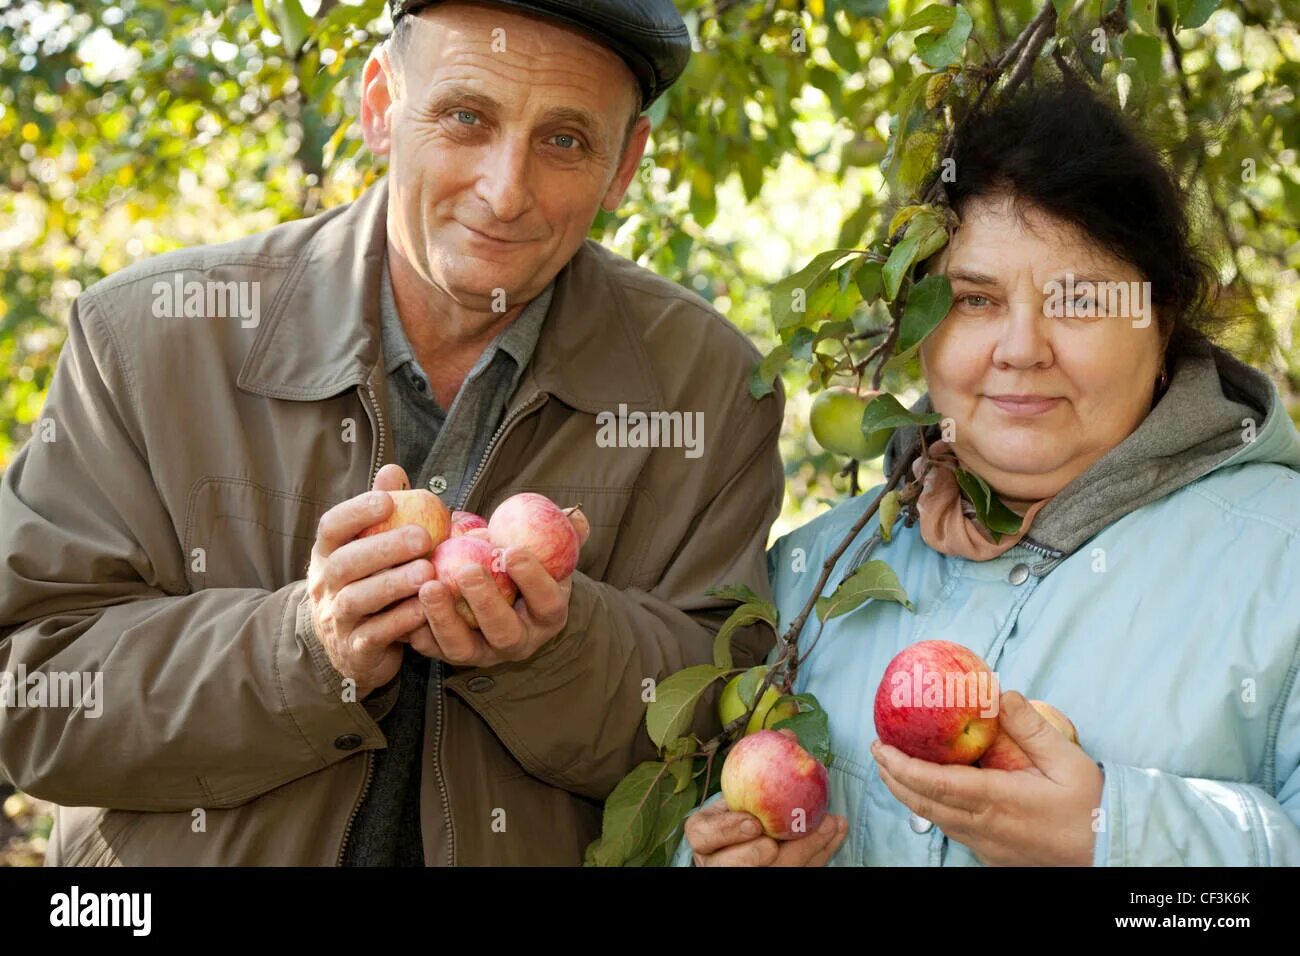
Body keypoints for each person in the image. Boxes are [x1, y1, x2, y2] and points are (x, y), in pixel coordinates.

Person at [0, 0, 784, 866]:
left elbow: (726, 726)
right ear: (379, 108)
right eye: (464, 117)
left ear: (624, 165)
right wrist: (304, 649)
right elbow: (29, 696)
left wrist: (552, 652)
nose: (505, 189)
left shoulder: (710, 392)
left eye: (564, 140)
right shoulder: (146, 339)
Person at [680, 80, 1300, 866]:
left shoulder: (1284, 563)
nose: (1021, 348)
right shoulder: (812, 580)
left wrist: (1119, 839)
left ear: (1163, 318)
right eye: (975, 300)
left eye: (1078, 301)